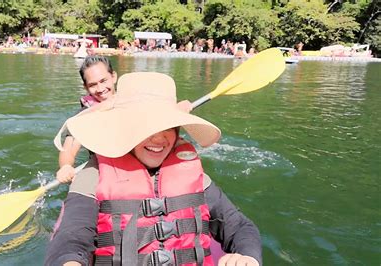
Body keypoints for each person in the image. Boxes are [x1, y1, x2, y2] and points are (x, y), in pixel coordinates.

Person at [46, 72, 262, 266]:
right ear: (125, 127)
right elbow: (70, 237)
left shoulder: (196, 176)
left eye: (167, 126)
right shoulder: (92, 176)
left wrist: (247, 256)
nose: (158, 138)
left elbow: (241, 227)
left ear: (178, 129)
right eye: (145, 125)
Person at [54, 56, 117, 183]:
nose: (100, 89)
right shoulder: (84, 116)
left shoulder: (131, 101)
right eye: (93, 85)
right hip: (104, 165)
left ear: (114, 77)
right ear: (86, 87)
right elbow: (68, 149)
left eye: (103, 80)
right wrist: (65, 167)